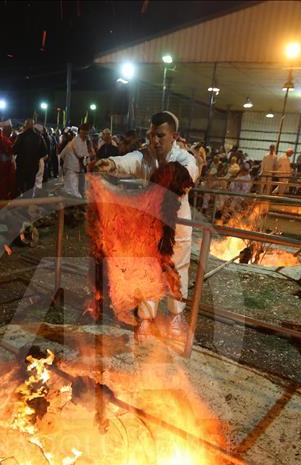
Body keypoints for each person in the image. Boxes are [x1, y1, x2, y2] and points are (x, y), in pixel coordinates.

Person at [92, 110, 200, 340]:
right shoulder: (146, 156)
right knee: (149, 268)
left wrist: (164, 175)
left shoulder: (184, 159)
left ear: (174, 135)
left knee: (177, 268)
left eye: (160, 135)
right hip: (151, 225)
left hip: (177, 225)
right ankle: (146, 318)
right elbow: (131, 161)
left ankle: (175, 317)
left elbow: (187, 175)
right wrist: (112, 163)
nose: (155, 140)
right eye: (152, 135)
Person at [13, 118, 47, 197]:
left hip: (21, 165)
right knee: (30, 185)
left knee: (20, 184)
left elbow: (14, 150)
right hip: (33, 166)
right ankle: (28, 202)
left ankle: (20, 201)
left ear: (25, 125)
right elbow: (44, 153)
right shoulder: (39, 137)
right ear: (33, 126)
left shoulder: (20, 136)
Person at [60, 123, 93, 198]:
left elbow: (85, 154)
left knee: (73, 187)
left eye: (86, 134)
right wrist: (89, 159)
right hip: (71, 167)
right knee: (72, 188)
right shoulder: (76, 140)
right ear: (80, 132)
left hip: (76, 168)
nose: (85, 135)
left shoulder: (83, 140)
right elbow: (80, 155)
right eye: (84, 133)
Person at [0, 120, 16, 200]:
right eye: (10, 128)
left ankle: (3, 195)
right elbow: (9, 150)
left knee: (4, 180)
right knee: (3, 180)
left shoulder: (3, 137)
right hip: (3, 162)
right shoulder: (2, 137)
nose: (11, 130)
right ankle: (1, 196)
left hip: (4, 161)